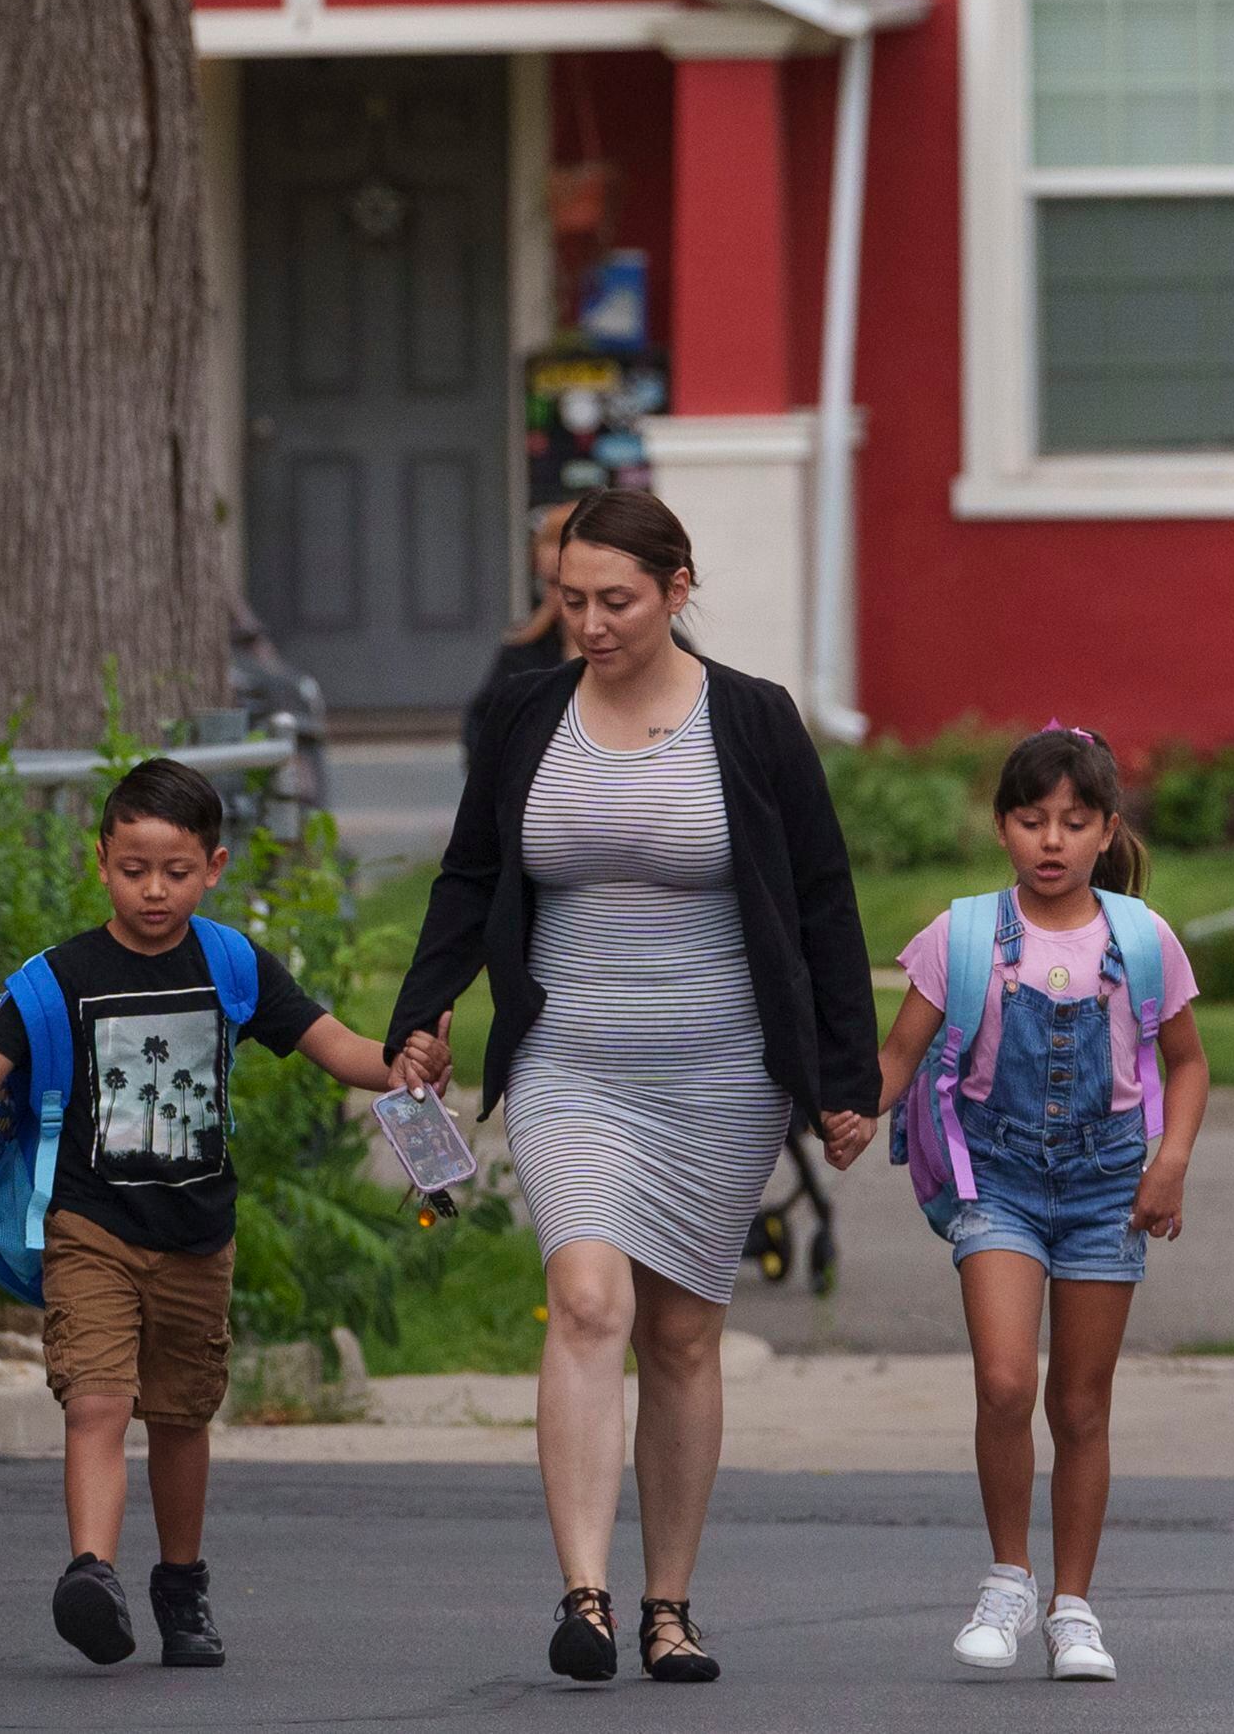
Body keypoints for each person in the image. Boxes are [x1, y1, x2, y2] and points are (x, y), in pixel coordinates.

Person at [385, 488, 878, 1685]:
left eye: (617, 601)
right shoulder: (523, 714)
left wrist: (845, 1076)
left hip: (717, 1074)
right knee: (590, 1300)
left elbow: (821, 899)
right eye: (572, 600)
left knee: (682, 1332)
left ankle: (670, 1605)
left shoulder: (753, 722)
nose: (593, 625)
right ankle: (586, 1595)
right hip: (573, 1065)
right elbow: (470, 871)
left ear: (676, 589)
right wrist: (422, 1010)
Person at [0, 759, 450, 1670]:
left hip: (200, 1237)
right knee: (96, 1401)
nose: (154, 890)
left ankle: (181, 1586)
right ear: (101, 862)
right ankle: (92, 1571)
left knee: (180, 1416)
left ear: (213, 865)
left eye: (175, 871)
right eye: (134, 869)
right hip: (89, 1226)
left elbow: (334, 1047)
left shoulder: (232, 962)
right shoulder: (61, 978)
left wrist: (402, 1065)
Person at [823, 725, 1208, 1683]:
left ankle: (1073, 1608)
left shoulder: (1141, 939)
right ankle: (1008, 1578)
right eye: (1032, 819)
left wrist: (1174, 1159)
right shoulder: (958, 936)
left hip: (1107, 1187)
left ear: (1107, 829)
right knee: (1005, 1381)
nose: (1052, 841)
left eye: (1075, 823)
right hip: (993, 1180)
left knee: (1080, 1403)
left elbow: (1188, 1062)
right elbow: (896, 1060)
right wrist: (851, 1112)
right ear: (1001, 826)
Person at [461, 503, 575, 757]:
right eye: (550, 584)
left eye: (570, 585)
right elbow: (481, 732)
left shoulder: (661, 650)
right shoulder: (524, 650)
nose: (559, 598)